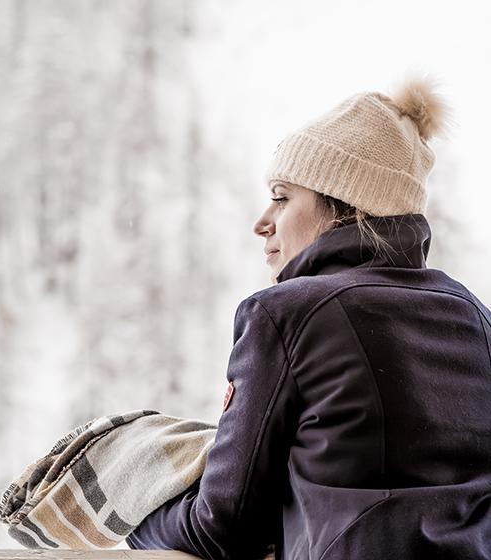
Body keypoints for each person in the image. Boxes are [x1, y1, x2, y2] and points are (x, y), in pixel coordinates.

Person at [125, 74, 491, 559]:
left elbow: (224, 524)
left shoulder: (285, 314)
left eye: (281, 196)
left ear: (343, 205)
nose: (263, 222)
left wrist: (134, 515)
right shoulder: (474, 316)